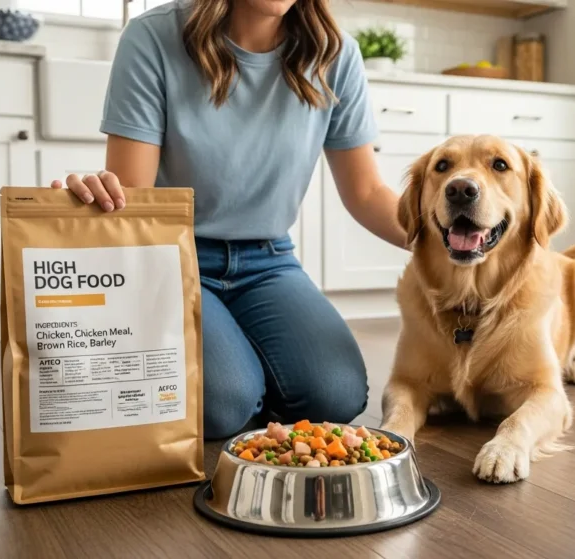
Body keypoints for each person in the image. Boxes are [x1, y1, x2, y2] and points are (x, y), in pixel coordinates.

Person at [51, 0, 404, 440]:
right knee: (224, 404)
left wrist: (451, 239)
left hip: (270, 262)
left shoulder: (335, 54)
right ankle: (236, 380)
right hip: (174, 258)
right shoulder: (153, 37)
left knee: (336, 396)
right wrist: (94, 197)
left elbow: (367, 193)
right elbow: (134, 196)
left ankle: (243, 371)